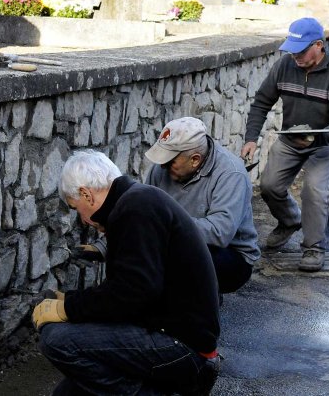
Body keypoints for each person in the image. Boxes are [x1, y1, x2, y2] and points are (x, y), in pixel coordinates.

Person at [33, 150, 221, 395]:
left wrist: (67, 308)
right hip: (175, 335)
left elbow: (134, 292)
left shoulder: (136, 208)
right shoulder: (137, 200)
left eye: (76, 208)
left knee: (56, 340)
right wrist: (72, 302)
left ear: (86, 195)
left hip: (185, 349)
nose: (83, 219)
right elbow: (131, 288)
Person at [240, 17, 329, 272]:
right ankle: (290, 220)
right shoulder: (284, 66)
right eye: (291, 50)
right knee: (269, 186)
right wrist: (251, 138)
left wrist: (318, 137)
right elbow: (261, 102)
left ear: (318, 45)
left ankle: (313, 249)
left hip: (327, 142)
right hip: (292, 137)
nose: (295, 56)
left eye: (301, 50)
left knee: (313, 190)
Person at [144, 117, 260, 294]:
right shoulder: (160, 170)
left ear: (195, 160)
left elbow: (219, 232)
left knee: (177, 258)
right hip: (178, 242)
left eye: (170, 161)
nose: (163, 166)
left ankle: (201, 303)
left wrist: (167, 225)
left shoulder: (231, 174)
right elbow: (142, 214)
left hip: (229, 255)